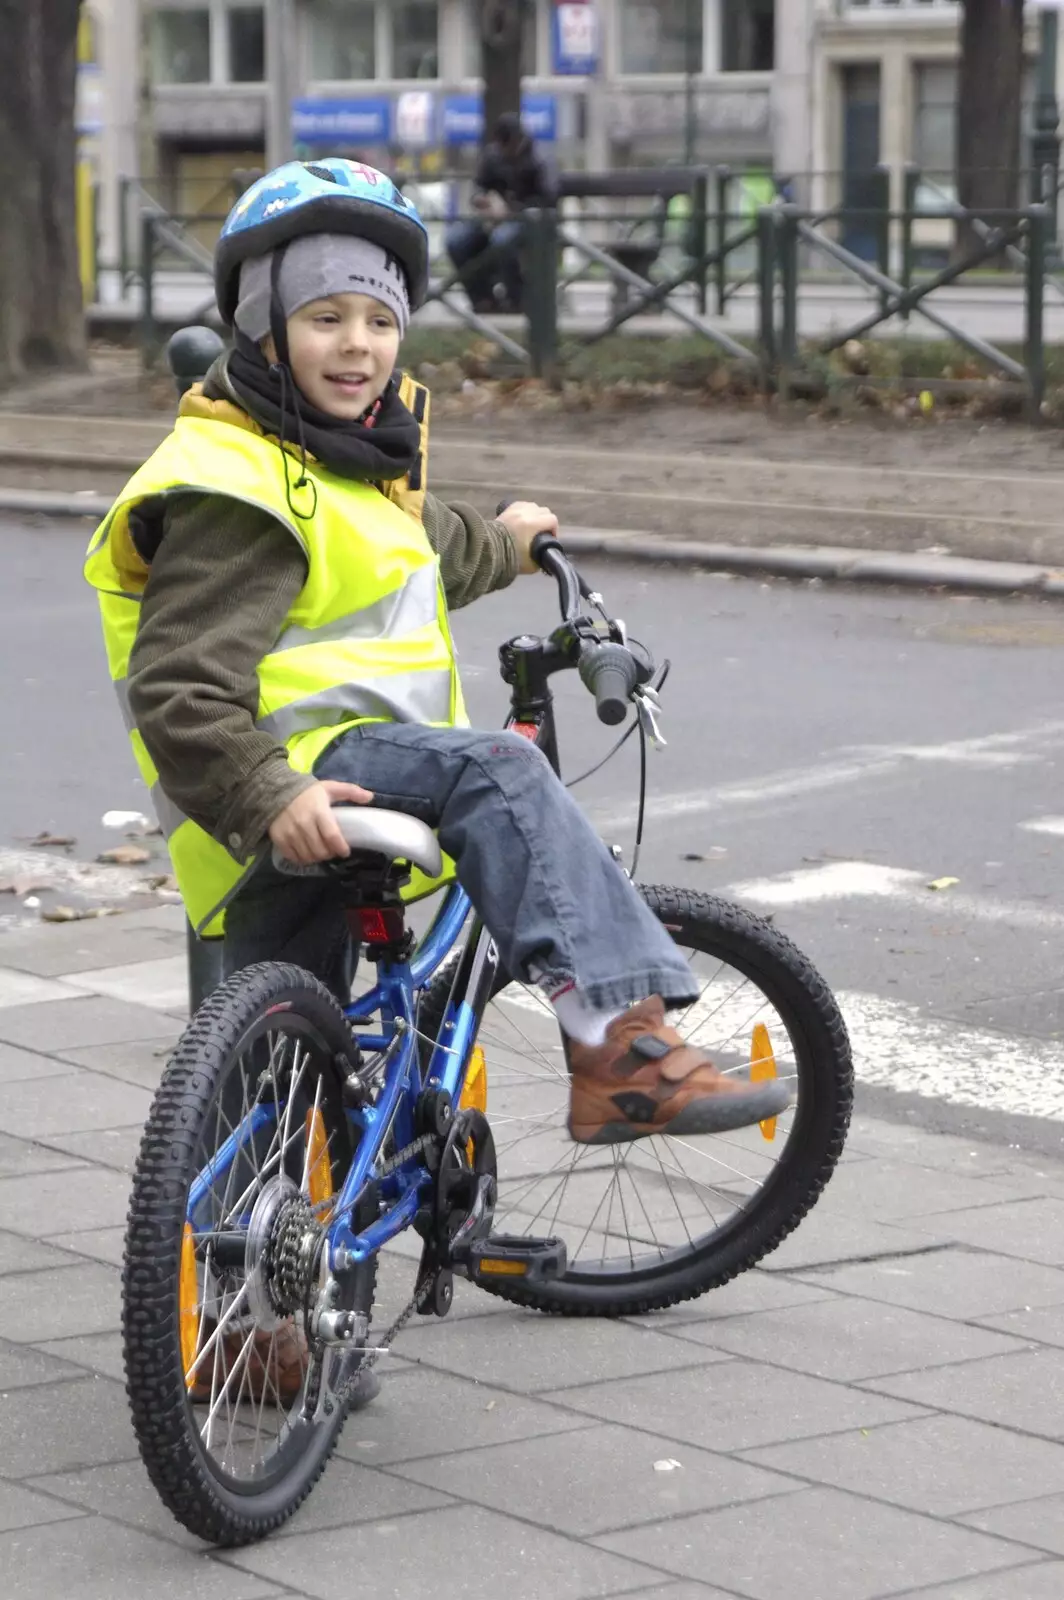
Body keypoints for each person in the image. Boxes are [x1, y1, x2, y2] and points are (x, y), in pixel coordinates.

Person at [85, 158, 791, 1399]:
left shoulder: (335, 460)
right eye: (323, 316)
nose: (357, 344)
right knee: (503, 779)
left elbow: (412, 550)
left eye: (378, 319)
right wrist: (269, 795)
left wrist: (510, 544)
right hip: (307, 785)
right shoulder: (240, 490)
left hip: (310, 801)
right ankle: (616, 1043)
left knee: (283, 1073)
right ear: (262, 324)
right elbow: (180, 688)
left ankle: (263, 1333)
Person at [445, 112, 556, 312]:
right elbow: (479, 185)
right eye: (502, 147)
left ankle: (517, 299)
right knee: (456, 241)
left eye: (509, 146)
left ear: (518, 140)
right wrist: (481, 200)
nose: (506, 152)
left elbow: (548, 197)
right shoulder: (493, 155)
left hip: (529, 221)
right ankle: (482, 297)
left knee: (502, 240)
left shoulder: (539, 158)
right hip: (493, 219)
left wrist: (513, 210)